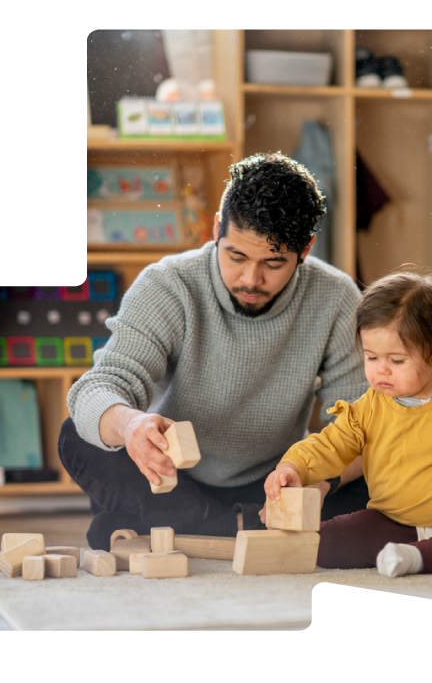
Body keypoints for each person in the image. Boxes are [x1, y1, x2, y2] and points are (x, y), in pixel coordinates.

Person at [61, 153, 371, 550]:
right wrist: (131, 426)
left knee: (376, 473)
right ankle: (222, 526)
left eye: (273, 263)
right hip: (173, 477)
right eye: (236, 256)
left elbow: (360, 424)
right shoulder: (168, 284)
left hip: (272, 483)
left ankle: (167, 526)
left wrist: (318, 478)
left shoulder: (337, 296)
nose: (250, 279)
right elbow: (98, 388)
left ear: (305, 249)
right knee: (79, 435)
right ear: (215, 231)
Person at [262, 268, 432, 577]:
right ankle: (409, 554)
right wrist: (293, 466)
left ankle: (416, 558)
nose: (381, 371)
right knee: (327, 539)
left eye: (396, 361)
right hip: (387, 522)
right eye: (371, 358)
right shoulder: (368, 407)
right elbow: (330, 445)